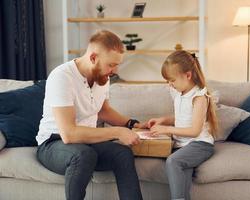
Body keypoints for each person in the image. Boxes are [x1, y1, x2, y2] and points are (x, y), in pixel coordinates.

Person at [36, 30, 145, 200]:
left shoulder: (103, 77)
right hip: (53, 143)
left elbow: (103, 110)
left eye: (117, 65)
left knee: (122, 153)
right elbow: (69, 134)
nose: (114, 70)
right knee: (84, 155)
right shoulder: (62, 77)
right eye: (111, 65)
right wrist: (117, 132)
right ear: (93, 58)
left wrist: (133, 124)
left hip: (87, 142)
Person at [147, 50, 218, 200]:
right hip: (183, 145)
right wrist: (163, 120)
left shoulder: (199, 97)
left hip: (200, 144)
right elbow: (182, 118)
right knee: (182, 183)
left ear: (188, 75)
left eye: (172, 80)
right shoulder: (179, 93)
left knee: (173, 161)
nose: (170, 84)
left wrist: (165, 129)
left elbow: (194, 130)